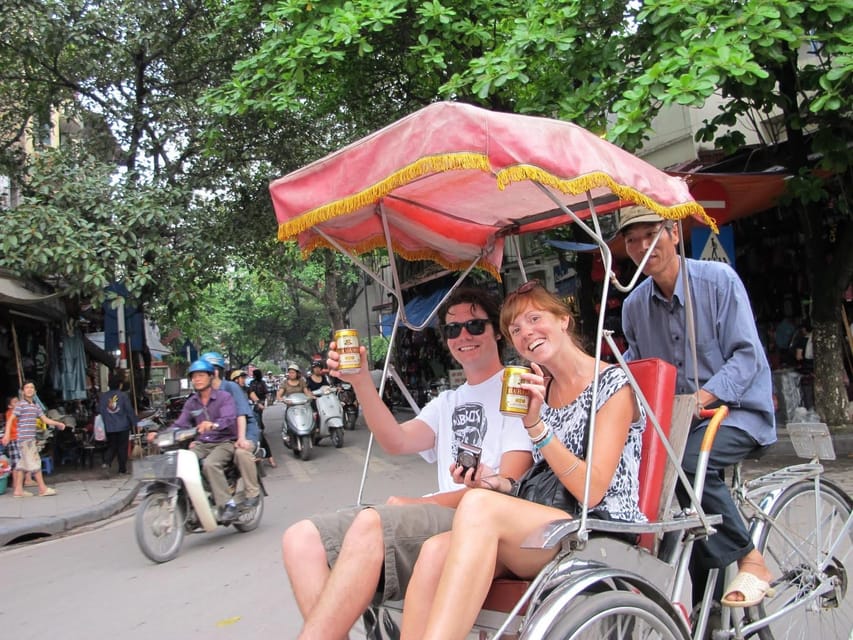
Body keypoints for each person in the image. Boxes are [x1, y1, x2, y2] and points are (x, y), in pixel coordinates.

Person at [281, 287, 534, 640]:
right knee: (301, 539)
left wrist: (420, 503)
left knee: (372, 523)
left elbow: (510, 486)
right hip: (438, 518)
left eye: (475, 326)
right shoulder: (447, 401)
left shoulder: (517, 389)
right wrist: (360, 382)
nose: (463, 336)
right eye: (452, 329)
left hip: (479, 521)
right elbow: (395, 440)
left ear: (497, 330)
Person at [400, 282, 645, 639]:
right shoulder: (541, 389)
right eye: (515, 329)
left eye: (534, 318)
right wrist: (499, 483)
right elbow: (543, 479)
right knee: (437, 549)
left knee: (480, 506)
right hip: (547, 519)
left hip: (599, 525)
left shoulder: (613, 385)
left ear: (563, 320)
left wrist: (536, 427)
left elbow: (591, 492)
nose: (526, 332)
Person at [617, 205, 776, 608]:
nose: (641, 247)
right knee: (657, 495)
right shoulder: (634, 306)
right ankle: (705, 613)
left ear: (672, 233)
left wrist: (699, 400)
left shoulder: (717, 281)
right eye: (632, 240)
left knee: (688, 467)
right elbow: (641, 373)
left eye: (650, 235)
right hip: (680, 424)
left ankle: (751, 559)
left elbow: (745, 356)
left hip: (739, 411)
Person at [169, 359, 246, 522]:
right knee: (182, 462)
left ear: (211, 377)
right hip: (202, 443)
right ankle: (194, 502)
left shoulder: (224, 397)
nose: (197, 379)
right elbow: (180, 423)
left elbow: (229, 418)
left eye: (201, 375)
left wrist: (214, 424)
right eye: (194, 376)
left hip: (224, 442)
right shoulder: (192, 402)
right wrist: (160, 434)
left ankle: (228, 505)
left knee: (210, 464)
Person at [199, 353, 263, 505]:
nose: (199, 377)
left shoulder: (230, 387)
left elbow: (241, 414)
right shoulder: (202, 392)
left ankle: (252, 493)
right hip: (221, 436)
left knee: (241, 453)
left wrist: (241, 438)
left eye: (202, 373)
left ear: (215, 372)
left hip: (245, 431)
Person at [5, 380, 68, 497]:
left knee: (22, 465)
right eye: (27, 387)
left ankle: (18, 490)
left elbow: (45, 420)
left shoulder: (35, 405)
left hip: (29, 439)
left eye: (31, 387)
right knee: (35, 463)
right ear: (23, 391)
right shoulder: (20, 405)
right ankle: (42, 488)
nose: (29, 389)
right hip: (24, 439)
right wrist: (7, 434)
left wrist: (57, 423)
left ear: (35, 391)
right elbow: (11, 419)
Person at [231, 369, 275, 468]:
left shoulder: (247, 389)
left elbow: (254, 397)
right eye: (241, 378)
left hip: (248, 416)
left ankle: (270, 457)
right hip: (234, 418)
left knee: (259, 432)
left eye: (244, 378)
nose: (243, 380)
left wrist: (259, 403)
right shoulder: (229, 392)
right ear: (235, 380)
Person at [98, 372, 138, 475]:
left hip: (110, 427)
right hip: (123, 426)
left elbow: (101, 411)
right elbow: (129, 410)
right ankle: (122, 470)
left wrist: (107, 422)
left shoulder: (103, 397)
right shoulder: (123, 396)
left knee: (112, 446)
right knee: (122, 447)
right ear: (120, 384)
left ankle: (106, 463)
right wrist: (135, 422)